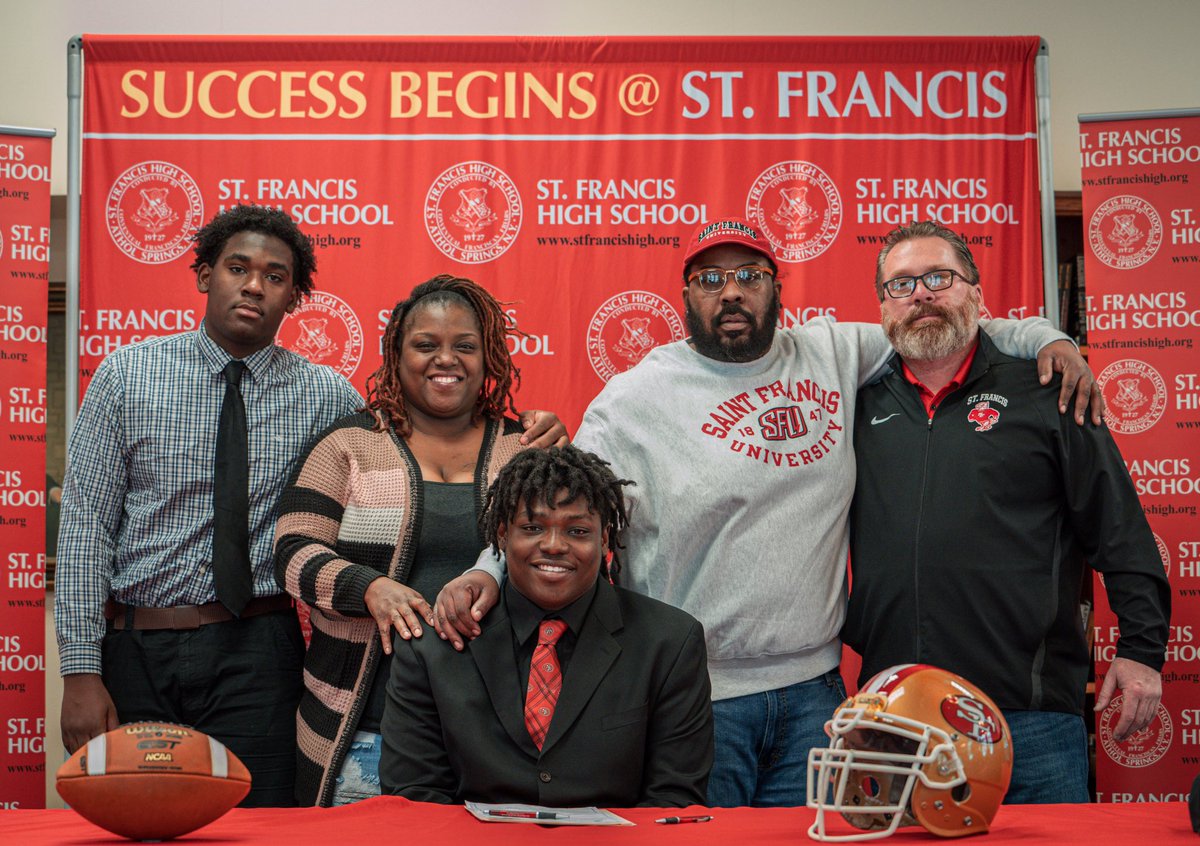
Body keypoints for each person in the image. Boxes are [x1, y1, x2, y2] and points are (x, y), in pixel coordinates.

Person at [435, 216, 1101, 808]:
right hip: (694, 696)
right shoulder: (635, 397)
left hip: (815, 696)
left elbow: (946, 321)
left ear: (777, 288)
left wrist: (1050, 338)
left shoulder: (834, 353)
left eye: (750, 275)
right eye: (710, 278)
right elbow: (559, 507)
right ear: (687, 296)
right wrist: (488, 574)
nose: (731, 292)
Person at [54, 207, 564, 807]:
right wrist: (81, 670)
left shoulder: (326, 396)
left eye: (275, 276)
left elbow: (407, 441)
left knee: (262, 821)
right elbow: (85, 531)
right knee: (138, 818)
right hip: (137, 643)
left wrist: (535, 426)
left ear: (294, 296)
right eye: (237, 268)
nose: (253, 286)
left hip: (259, 648)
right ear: (203, 274)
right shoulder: (125, 377)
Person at [843, 219, 1170, 803]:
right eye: (901, 284)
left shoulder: (1050, 390)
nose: (920, 294)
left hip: (1029, 718)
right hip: (896, 716)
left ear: (976, 292)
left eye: (939, 277)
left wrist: (1142, 652)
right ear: (883, 307)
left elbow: (1119, 529)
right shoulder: (852, 404)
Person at [275, 275, 568, 807]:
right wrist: (369, 588)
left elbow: (569, 559)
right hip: (365, 734)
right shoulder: (350, 444)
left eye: (464, 346)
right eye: (425, 345)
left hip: (503, 738)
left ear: (489, 357)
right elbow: (293, 552)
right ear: (396, 353)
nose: (445, 360)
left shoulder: (524, 449)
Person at [380, 446, 713, 807]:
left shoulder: (670, 642)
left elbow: (673, 798)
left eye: (578, 530)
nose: (554, 545)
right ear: (503, 536)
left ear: (603, 541)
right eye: (533, 527)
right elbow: (414, 798)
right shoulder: (433, 644)